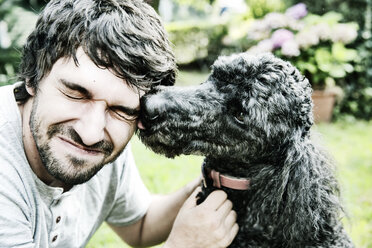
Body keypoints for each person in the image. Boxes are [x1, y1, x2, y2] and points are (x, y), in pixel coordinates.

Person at [0, 0, 239, 247]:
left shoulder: (101, 141)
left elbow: (141, 225)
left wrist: (211, 183)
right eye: (76, 94)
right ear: (32, 76)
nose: (91, 133)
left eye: (121, 110)